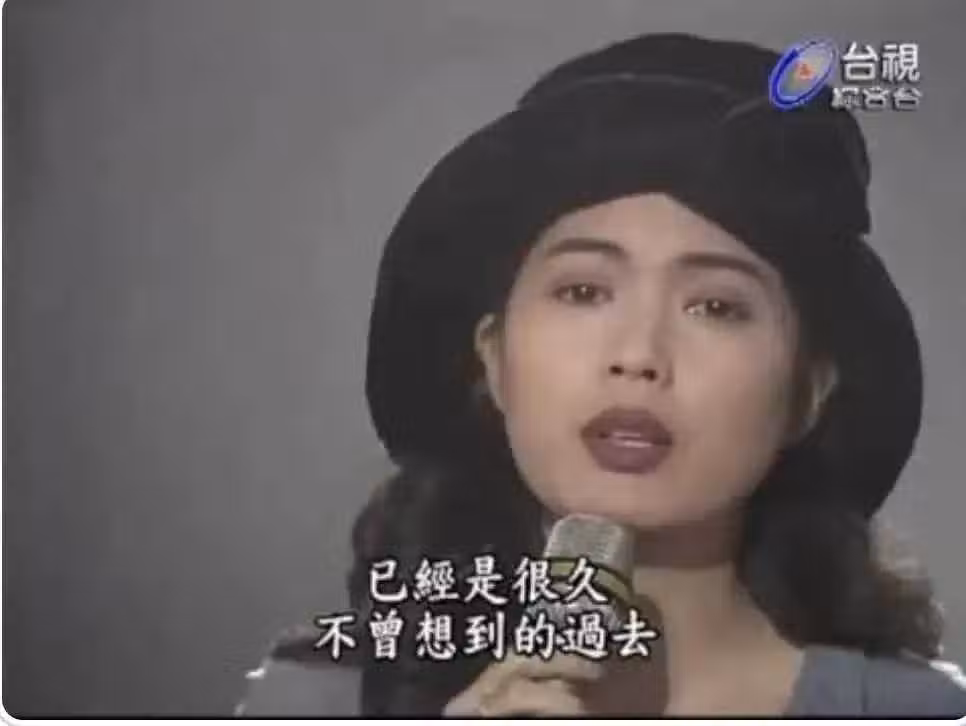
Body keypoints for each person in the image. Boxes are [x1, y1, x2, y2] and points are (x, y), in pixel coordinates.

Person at [236, 32, 966, 717]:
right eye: (582, 292)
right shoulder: (315, 701)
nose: (638, 355)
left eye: (716, 307)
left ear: (807, 393)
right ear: (493, 358)